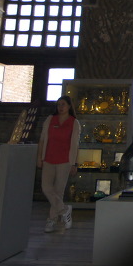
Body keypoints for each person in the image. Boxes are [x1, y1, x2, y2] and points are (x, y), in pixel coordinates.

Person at [37, 95, 80, 232]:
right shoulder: (50, 119)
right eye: (58, 105)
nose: (60, 107)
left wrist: (74, 163)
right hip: (48, 159)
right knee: (46, 188)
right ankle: (64, 210)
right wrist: (39, 157)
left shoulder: (74, 122)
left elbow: (75, 145)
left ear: (69, 106)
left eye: (63, 104)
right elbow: (42, 140)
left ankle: (52, 220)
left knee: (58, 191)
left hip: (64, 161)